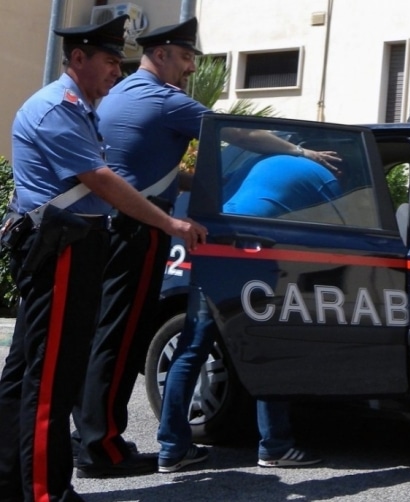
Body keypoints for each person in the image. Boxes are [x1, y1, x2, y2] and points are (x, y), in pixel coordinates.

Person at [70, 17, 340, 478]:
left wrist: (204, 184)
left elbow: (148, 170)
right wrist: (302, 153)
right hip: (137, 231)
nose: (191, 68)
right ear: (162, 55)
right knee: (122, 338)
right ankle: (101, 446)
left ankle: (92, 437)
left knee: (105, 334)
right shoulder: (164, 98)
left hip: (106, 226)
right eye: (187, 57)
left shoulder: (120, 95)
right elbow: (240, 133)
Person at [0, 15, 208, 502]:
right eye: (111, 61)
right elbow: (103, 181)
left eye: (120, 61)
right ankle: (45, 491)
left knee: (27, 369)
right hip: (64, 245)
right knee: (53, 375)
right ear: (78, 58)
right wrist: (169, 222)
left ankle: (10, 480)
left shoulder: (80, 107)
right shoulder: (59, 108)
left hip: (67, 241)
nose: (118, 72)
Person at [158, 152, 341, 473]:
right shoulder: (327, 179)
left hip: (215, 246)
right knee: (267, 347)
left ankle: (172, 448)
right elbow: (344, 229)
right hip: (252, 256)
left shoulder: (257, 164)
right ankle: (276, 446)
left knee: (192, 348)